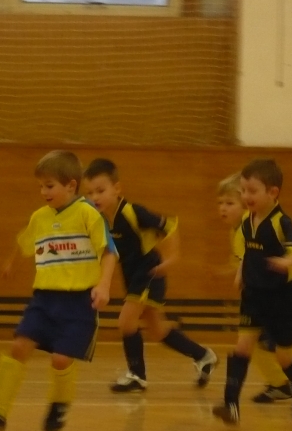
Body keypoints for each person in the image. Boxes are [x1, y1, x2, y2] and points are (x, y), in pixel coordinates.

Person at [0, 150, 117, 431]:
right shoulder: (40, 217)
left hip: (78, 302)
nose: (43, 192)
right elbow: (24, 240)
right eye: (40, 186)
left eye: (49, 186)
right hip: (44, 299)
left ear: (71, 185)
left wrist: (104, 285)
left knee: (60, 359)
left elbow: (109, 252)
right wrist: (12, 262)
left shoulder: (88, 214)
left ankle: (59, 403)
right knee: (18, 347)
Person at [83, 158, 216, 393]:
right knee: (158, 330)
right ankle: (204, 356)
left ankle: (137, 375)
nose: (95, 197)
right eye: (90, 192)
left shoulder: (133, 212)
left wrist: (172, 259)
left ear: (117, 188)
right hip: (132, 276)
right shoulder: (101, 219)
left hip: (149, 273)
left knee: (126, 322)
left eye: (100, 191)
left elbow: (171, 226)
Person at [215, 174, 292, 404]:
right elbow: (246, 260)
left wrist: (281, 264)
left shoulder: (261, 225)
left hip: (282, 294)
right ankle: (280, 385)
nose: (223, 208)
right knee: (256, 345)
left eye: (229, 203)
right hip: (259, 294)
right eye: (220, 203)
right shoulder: (239, 230)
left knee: (278, 347)